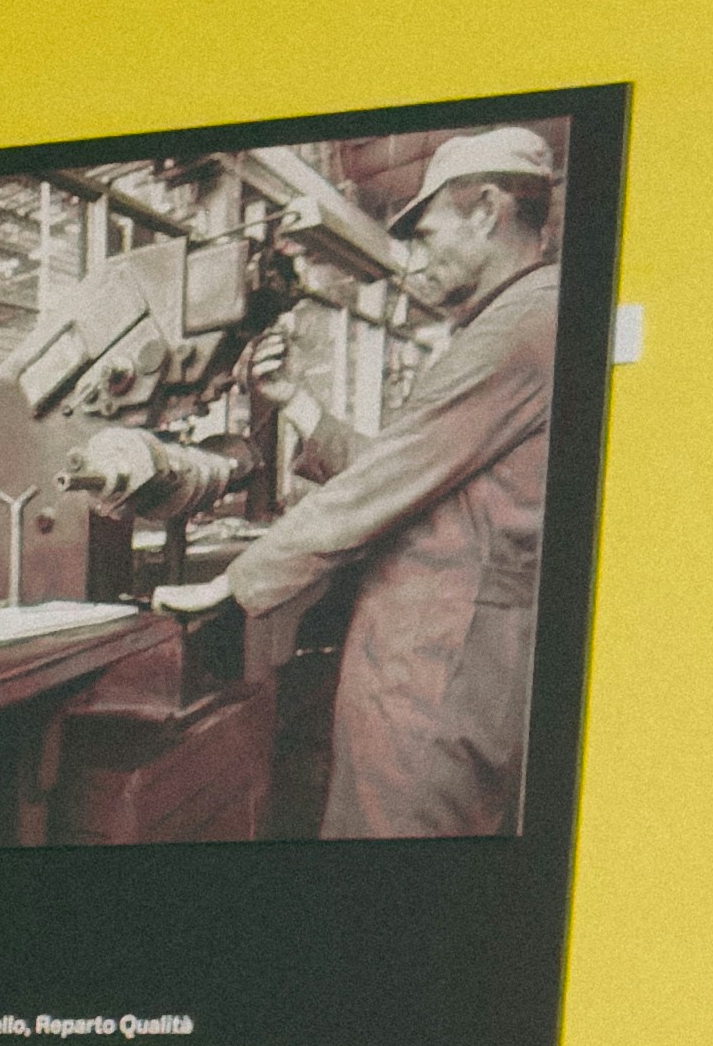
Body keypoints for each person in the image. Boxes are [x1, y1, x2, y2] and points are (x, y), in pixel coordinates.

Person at [216, 134, 567, 839]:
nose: (419, 255)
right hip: (442, 670)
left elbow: (390, 475)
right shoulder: (516, 319)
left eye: (429, 232)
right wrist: (295, 398)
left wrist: (236, 581)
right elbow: (410, 470)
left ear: (487, 210)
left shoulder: (527, 321)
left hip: (432, 685)